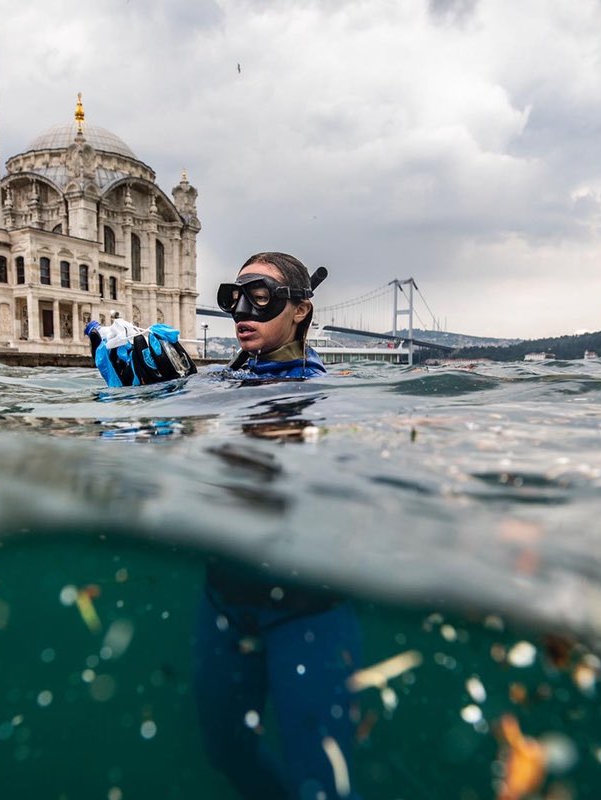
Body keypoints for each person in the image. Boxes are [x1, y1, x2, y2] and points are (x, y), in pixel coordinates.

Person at [194, 252, 363, 800]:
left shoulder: (320, 387)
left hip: (305, 605)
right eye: (234, 295)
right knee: (225, 752)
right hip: (225, 595)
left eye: (261, 295)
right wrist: (144, 392)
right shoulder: (222, 379)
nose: (242, 309)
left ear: (300, 310)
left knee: (321, 787)